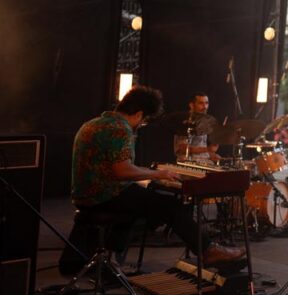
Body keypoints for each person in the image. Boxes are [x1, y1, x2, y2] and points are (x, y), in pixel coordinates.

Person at [66, 86, 244, 272]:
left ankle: (110, 258)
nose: (140, 125)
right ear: (139, 114)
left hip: (85, 195)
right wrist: (158, 174)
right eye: (143, 121)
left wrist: (150, 173)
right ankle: (209, 250)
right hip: (105, 196)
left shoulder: (94, 123)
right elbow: (123, 171)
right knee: (170, 206)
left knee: (148, 197)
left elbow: (114, 167)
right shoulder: (120, 128)